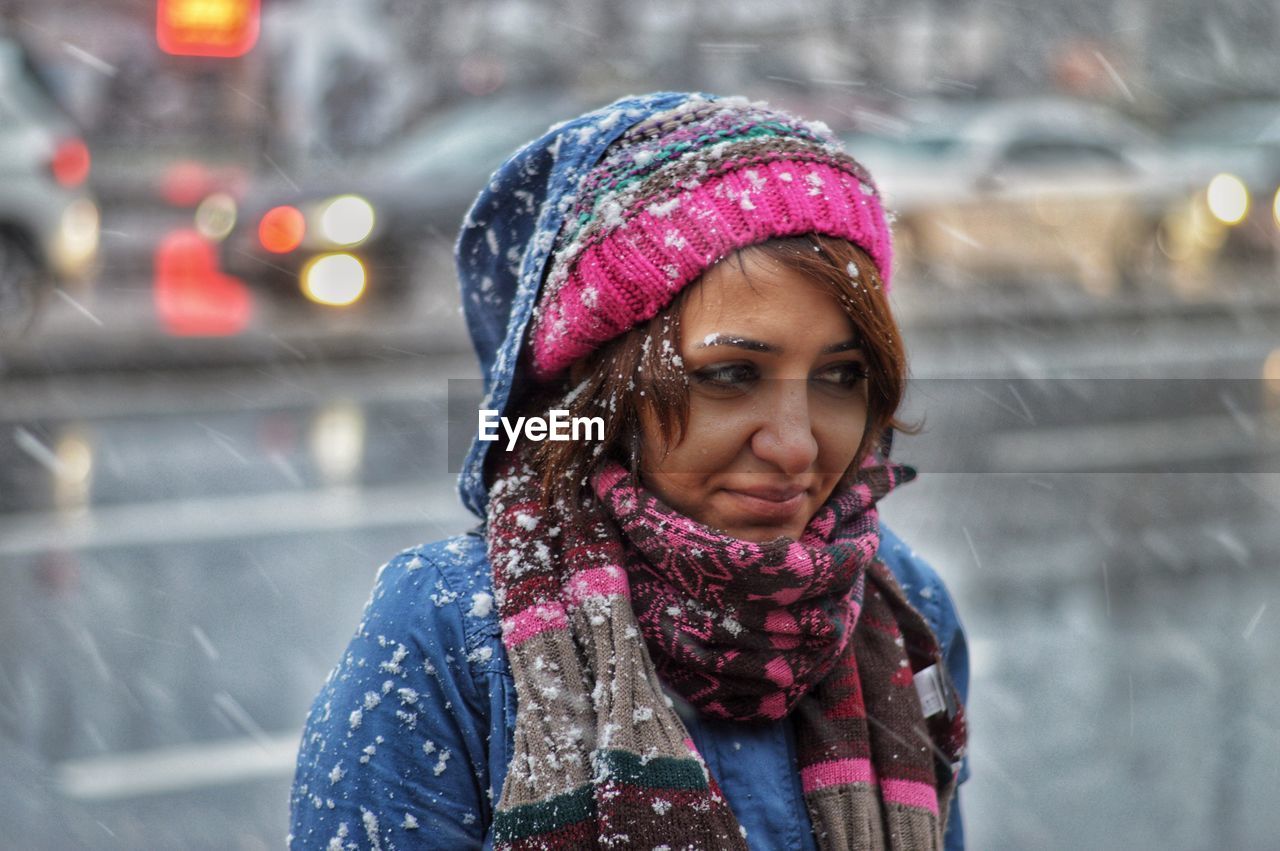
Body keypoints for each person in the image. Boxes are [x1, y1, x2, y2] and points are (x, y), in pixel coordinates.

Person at [289, 92, 970, 850]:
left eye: (839, 377)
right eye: (730, 374)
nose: (796, 446)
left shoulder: (904, 612)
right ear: (602, 386)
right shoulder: (451, 630)